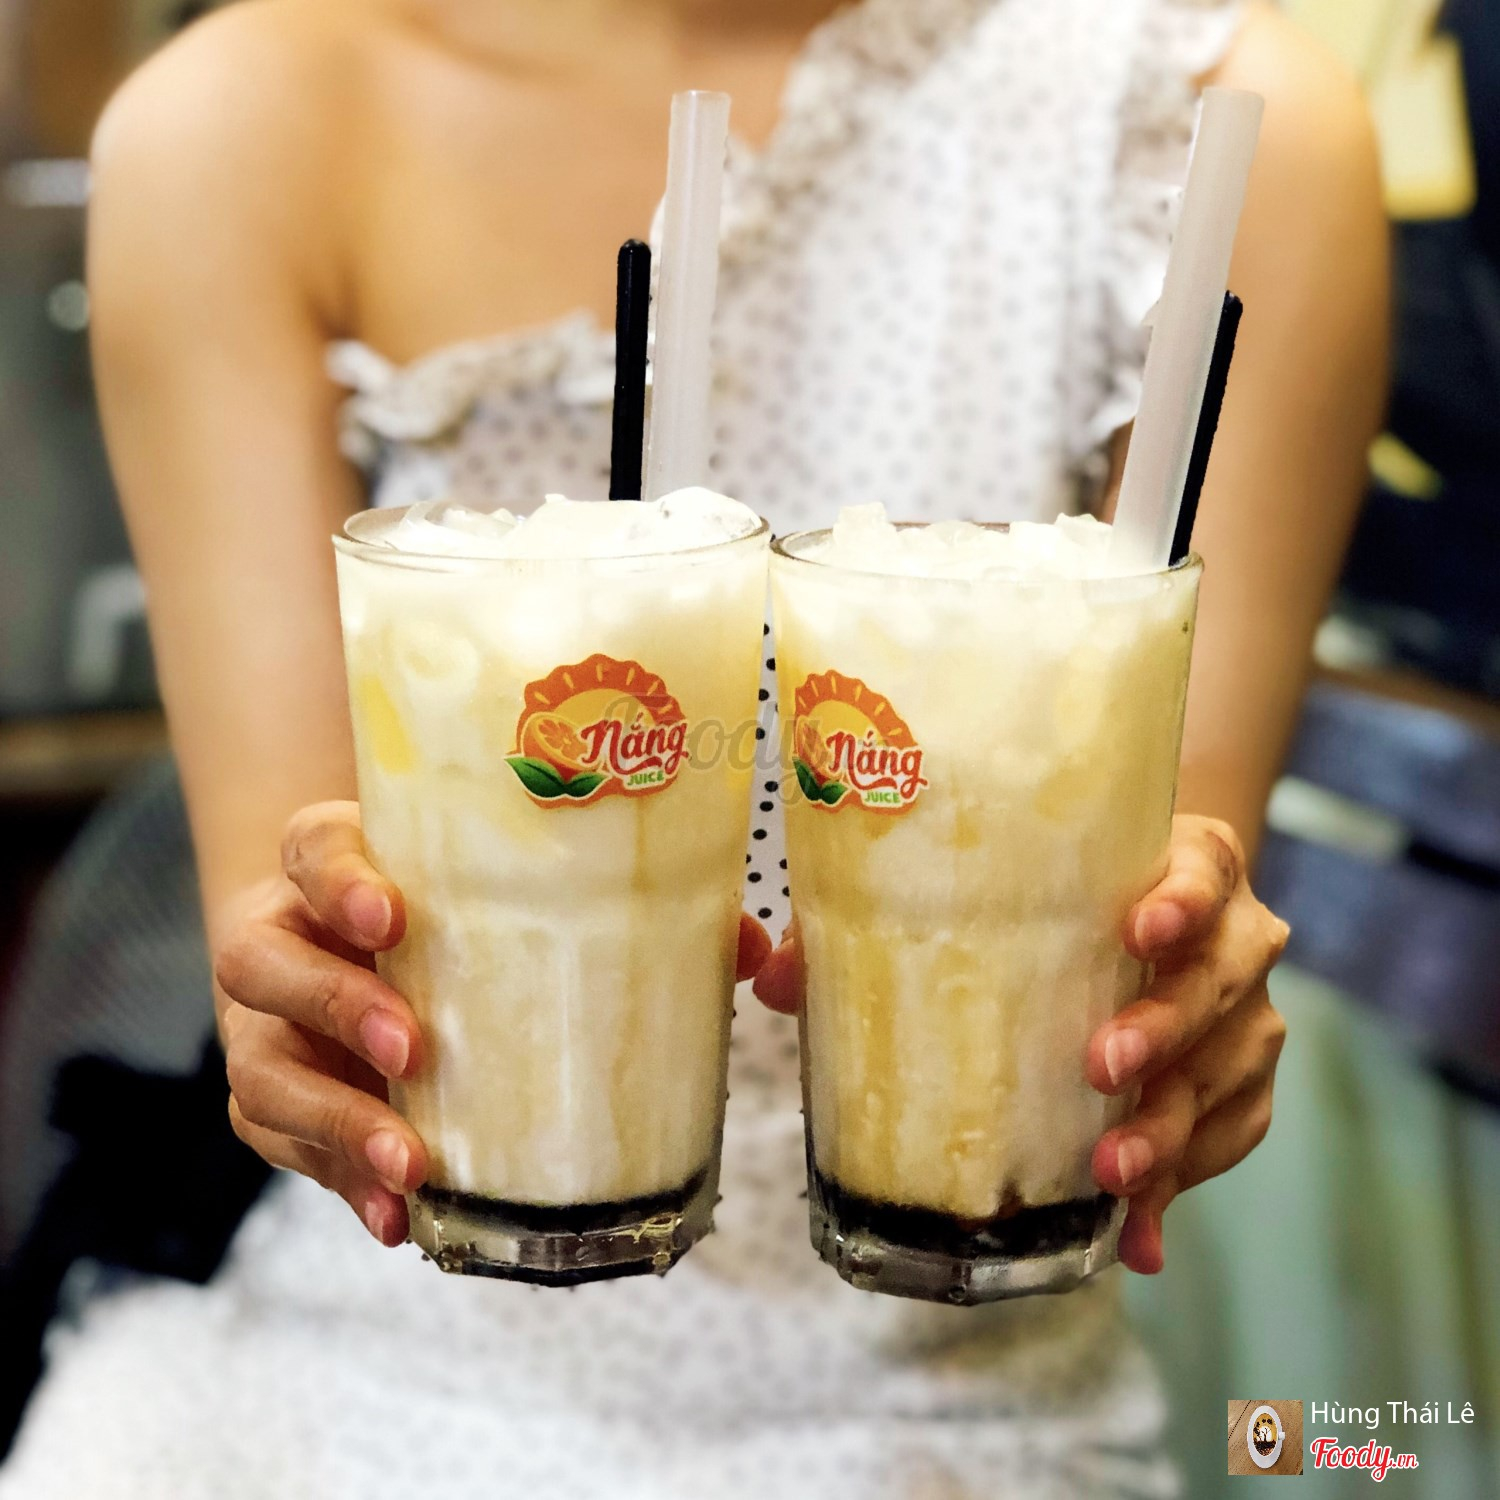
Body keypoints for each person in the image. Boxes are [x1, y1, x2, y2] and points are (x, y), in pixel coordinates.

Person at [2, 0, 1387, 1494]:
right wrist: (299, 996)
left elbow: (1164, 897)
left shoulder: (1225, 130)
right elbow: (291, 910)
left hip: (948, 1382)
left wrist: (1185, 1007)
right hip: (368, 1320)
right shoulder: (233, 126)